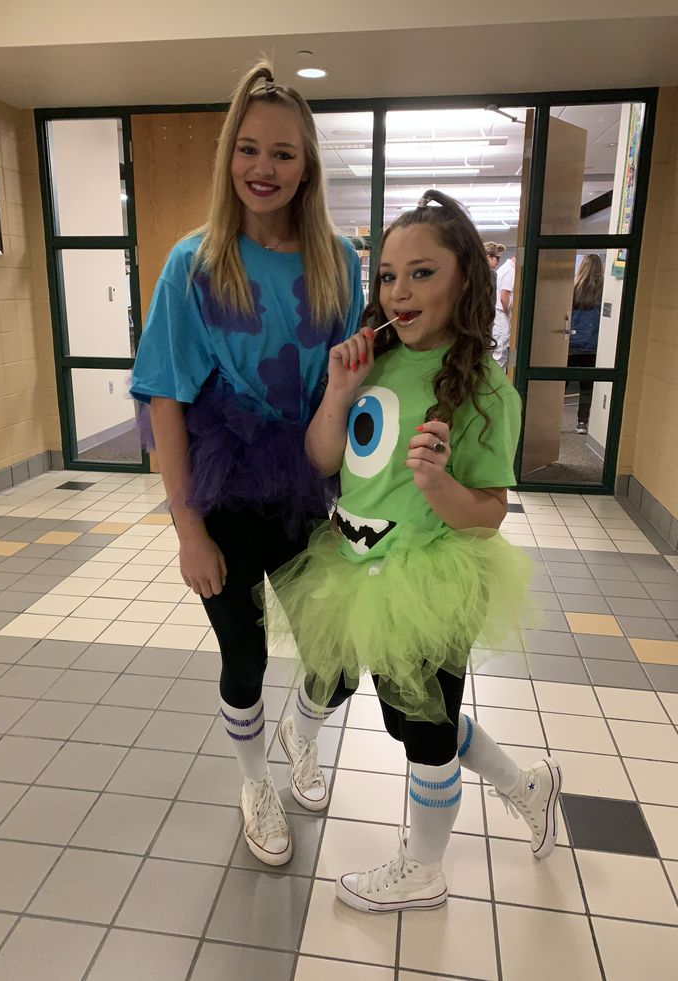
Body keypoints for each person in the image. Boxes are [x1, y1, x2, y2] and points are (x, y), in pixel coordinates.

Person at [263, 190, 562, 913]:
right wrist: (337, 392)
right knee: (394, 704)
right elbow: (322, 454)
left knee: (423, 729)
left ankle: (424, 868)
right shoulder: (375, 359)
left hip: (430, 574)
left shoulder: (487, 391)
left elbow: (487, 516)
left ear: (466, 280)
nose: (400, 290)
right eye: (389, 275)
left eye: (422, 273)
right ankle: (525, 785)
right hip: (354, 563)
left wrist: (437, 482)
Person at [130, 60, 364, 867]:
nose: (264, 169)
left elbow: (356, 382)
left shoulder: (340, 259)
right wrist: (186, 529)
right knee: (246, 657)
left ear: (308, 167)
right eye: (249, 149)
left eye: (284, 154)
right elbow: (164, 397)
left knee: (336, 659)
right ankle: (254, 779)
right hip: (223, 484)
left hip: (309, 480)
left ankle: (304, 732)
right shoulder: (192, 264)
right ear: (230, 155)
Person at [568, 254, 604, 435]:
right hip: (592, 347)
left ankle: (548, 422)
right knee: (587, 388)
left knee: (560, 385)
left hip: (571, 345)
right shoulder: (604, 292)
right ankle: (582, 423)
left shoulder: (573, 289)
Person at [493, 251, 516, 370]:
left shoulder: (503, 268)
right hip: (502, 316)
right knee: (500, 357)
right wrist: (512, 316)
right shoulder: (510, 271)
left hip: (497, 317)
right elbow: (504, 297)